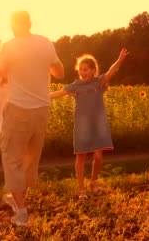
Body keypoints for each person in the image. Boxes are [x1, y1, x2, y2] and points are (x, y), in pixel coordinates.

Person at [0, 10, 65, 226]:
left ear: (13, 25)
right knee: (30, 157)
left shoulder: (9, 47)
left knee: (12, 157)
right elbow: (59, 72)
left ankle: (21, 212)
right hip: (42, 109)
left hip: (18, 109)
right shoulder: (45, 42)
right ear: (30, 23)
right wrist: (41, 65)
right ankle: (16, 197)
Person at [49, 48, 129, 199]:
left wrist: (120, 60)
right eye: (80, 70)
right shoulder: (76, 85)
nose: (82, 72)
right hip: (82, 124)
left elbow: (111, 72)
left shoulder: (99, 83)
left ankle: (93, 182)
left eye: (85, 69)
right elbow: (60, 93)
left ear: (93, 70)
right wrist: (43, 97)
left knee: (98, 156)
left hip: (98, 123)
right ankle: (81, 189)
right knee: (81, 156)